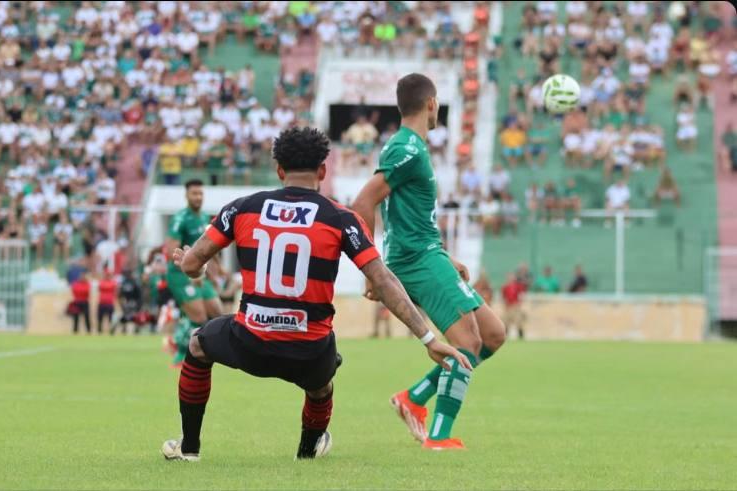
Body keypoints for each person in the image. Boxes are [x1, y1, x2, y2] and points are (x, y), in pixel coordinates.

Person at [161, 127, 467, 462]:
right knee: (322, 386)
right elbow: (382, 280)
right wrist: (427, 338)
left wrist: (199, 269)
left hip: (249, 342)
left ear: (279, 170)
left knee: (197, 345)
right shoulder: (340, 218)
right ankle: (306, 454)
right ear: (323, 171)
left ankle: (188, 449)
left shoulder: (243, 208)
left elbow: (190, 264)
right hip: (309, 353)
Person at [353, 74, 506, 450]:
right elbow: (363, 203)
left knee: (493, 334)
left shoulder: (411, 147)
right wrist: (372, 269)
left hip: (426, 252)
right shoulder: (407, 148)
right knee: (467, 341)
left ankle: (415, 397)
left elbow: (409, 215)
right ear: (432, 104)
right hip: (415, 260)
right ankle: (438, 436)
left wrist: (444, 255)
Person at [165, 179, 224, 366]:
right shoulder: (180, 218)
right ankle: (179, 349)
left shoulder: (204, 217)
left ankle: (210, 351)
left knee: (217, 312)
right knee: (198, 316)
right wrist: (190, 273)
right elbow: (171, 252)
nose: (198, 197)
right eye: (194, 194)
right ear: (186, 195)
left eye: (200, 193)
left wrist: (217, 271)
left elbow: (208, 247)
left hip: (200, 274)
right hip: (180, 275)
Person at [500, 273, 526, 339]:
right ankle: (505, 337)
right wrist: (505, 305)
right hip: (508, 306)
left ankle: (521, 337)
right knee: (505, 322)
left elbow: (521, 295)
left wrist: (519, 304)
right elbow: (503, 297)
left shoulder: (518, 286)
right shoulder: (505, 287)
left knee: (519, 322)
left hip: (515, 306)